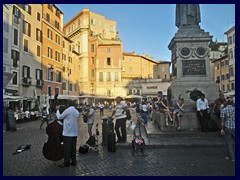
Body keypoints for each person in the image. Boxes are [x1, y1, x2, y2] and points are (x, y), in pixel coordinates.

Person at [56, 100, 80, 167]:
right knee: (73, 148)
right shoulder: (76, 111)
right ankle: (73, 162)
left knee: (67, 148)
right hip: (74, 132)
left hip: (67, 133)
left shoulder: (68, 110)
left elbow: (60, 117)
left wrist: (58, 110)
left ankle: (66, 163)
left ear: (68, 104)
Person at [220, 98, 235, 162]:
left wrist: (222, 129)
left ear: (227, 103)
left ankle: (232, 157)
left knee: (228, 143)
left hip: (227, 127)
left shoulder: (224, 110)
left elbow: (222, 121)